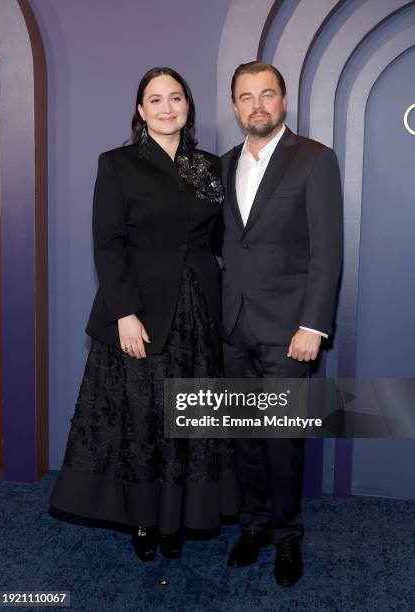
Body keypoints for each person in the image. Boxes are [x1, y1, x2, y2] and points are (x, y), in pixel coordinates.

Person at [49, 67, 240, 562]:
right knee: (143, 418)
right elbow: (107, 243)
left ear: (188, 107)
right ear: (140, 110)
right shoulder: (117, 164)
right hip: (140, 312)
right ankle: (143, 520)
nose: (166, 107)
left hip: (198, 309)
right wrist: (125, 313)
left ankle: (179, 518)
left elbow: (221, 239)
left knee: (189, 418)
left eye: (175, 98)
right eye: (155, 100)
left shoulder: (210, 166)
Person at [221, 61, 343, 586]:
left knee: (281, 437)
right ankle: (255, 524)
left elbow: (327, 250)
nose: (258, 105)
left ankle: (287, 536)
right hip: (235, 325)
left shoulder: (314, 159)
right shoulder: (224, 165)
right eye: (246, 96)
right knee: (244, 437)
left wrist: (313, 325)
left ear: (284, 101)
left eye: (267, 94)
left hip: (290, 329)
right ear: (235, 107)